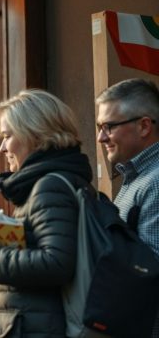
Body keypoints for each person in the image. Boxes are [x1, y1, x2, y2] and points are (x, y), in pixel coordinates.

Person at [0, 89, 88, 337]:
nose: (1, 148)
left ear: (35, 135)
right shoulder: (45, 184)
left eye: (7, 136)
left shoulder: (48, 186)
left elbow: (56, 263)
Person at [95, 78, 159, 337]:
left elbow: (152, 268)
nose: (100, 137)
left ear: (144, 126)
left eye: (109, 126)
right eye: (100, 127)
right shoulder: (137, 177)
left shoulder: (155, 181)